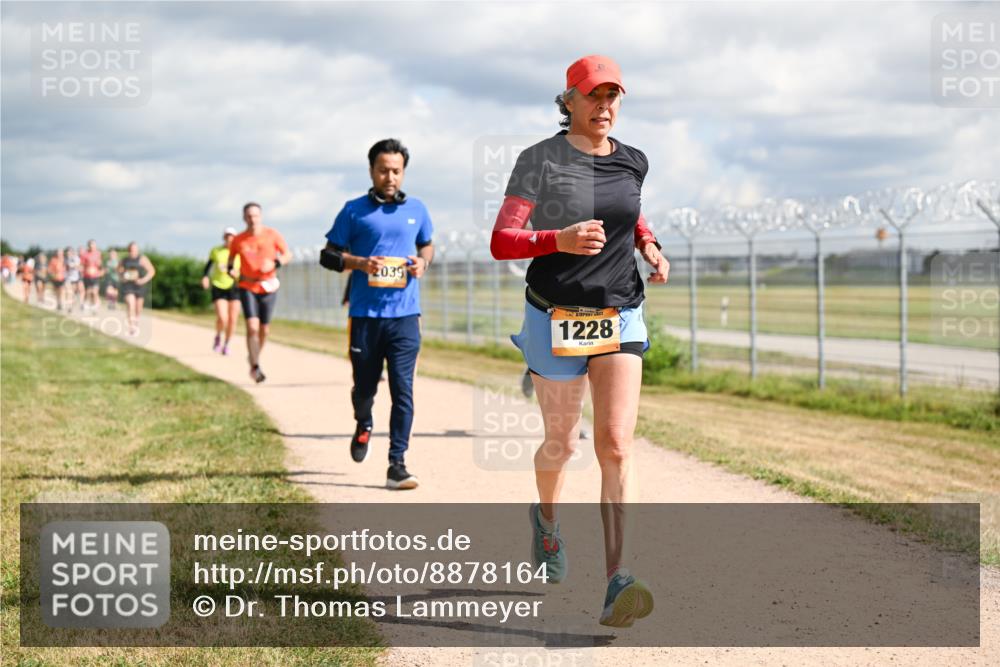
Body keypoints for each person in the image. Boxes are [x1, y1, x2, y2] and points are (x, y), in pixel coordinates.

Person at [490, 55, 670, 628]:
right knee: (561, 445)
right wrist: (558, 239)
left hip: (620, 313)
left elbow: (630, 215)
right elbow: (502, 240)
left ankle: (619, 578)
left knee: (616, 444)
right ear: (567, 100)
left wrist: (649, 244)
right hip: (554, 315)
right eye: (594, 96)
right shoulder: (538, 161)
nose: (605, 106)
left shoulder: (634, 161)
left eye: (614, 96)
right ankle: (546, 521)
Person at [323, 138, 433, 490]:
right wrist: (359, 262)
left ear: (404, 173)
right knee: (365, 388)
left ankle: (397, 464)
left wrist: (422, 262)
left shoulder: (418, 209)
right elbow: (328, 256)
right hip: (366, 317)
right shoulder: (353, 211)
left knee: (403, 391)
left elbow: (426, 244)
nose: (390, 177)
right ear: (372, 170)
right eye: (384, 170)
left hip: (405, 317)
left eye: (396, 171)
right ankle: (363, 422)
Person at [227, 203, 291, 383]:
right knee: (252, 327)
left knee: (265, 329)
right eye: (248, 216)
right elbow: (232, 259)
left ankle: (254, 357)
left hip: (268, 285)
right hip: (247, 286)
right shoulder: (239, 239)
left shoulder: (272, 235)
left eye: (255, 215)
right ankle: (255, 367)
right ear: (243, 218)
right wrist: (231, 270)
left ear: (260, 216)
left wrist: (275, 263)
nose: (252, 219)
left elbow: (287, 255)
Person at [201, 227, 241, 355]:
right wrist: (205, 277)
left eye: (232, 236)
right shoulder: (216, 251)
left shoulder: (240, 252)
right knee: (223, 318)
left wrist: (238, 275)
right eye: (227, 236)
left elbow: (246, 270)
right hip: (219, 286)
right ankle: (218, 336)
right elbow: (208, 266)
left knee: (233, 319)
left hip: (235, 287)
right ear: (224, 237)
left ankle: (227, 343)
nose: (230, 238)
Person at [118, 242, 156, 336]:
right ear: (128, 250)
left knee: (138, 308)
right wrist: (122, 277)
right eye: (131, 250)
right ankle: (132, 327)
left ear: (137, 250)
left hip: (139, 286)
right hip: (128, 286)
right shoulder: (124, 260)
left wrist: (143, 280)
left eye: (134, 250)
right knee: (131, 304)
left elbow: (151, 271)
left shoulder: (142, 259)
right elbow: (119, 270)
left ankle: (136, 323)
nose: (133, 252)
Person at [80, 239, 103, 312]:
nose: (92, 246)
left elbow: (100, 265)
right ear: (88, 246)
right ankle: (85, 303)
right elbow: (82, 265)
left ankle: (94, 306)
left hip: (95, 276)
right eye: (90, 245)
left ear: (95, 246)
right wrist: (82, 271)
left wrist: (100, 271)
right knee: (88, 291)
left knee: (95, 291)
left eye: (93, 245)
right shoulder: (85, 254)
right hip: (87, 276)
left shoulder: (98, 253)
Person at [65, 247, 82, 312]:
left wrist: (73, 266)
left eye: (69, 252)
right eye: (67, 252)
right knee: (69, 291)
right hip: (68, 278)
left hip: (75, 278)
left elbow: (78, 267)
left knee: (72, 293)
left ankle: (71, 305)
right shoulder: (66, 259)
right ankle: (69, 306)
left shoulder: (76, 258)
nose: (68, 253)